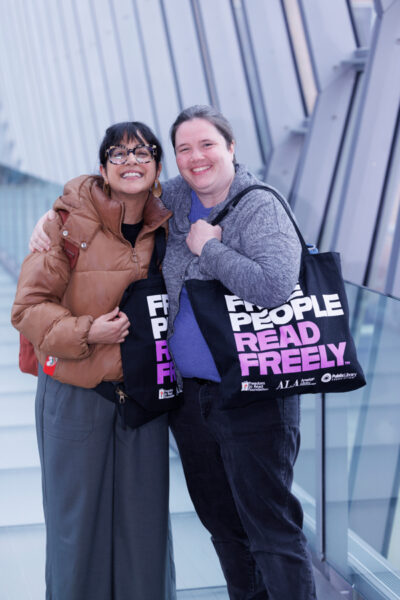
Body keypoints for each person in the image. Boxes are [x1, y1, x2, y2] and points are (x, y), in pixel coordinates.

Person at [29, 105, 317, 600]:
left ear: (231, 148)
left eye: (207, 144)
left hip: (252, 398)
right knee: (224, 528)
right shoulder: (176, 199)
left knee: (271, 531)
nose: (196, 156)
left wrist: (211, 249)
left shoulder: (258, 205)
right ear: (174, 162)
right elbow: (116, 185)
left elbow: (274, 286)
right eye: (184, 148)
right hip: (189, 401)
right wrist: (56, 213)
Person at [11, 122, 176, 600]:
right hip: (75, 397)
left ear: (158, 166)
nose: (130, 161)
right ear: (103, 168)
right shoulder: (67, 221)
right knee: (76, 534)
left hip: (144, 400)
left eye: (142, 151)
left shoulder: (170, 220)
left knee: (145, 539)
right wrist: (89, 331)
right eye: (117, 153)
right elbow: (27, 309)